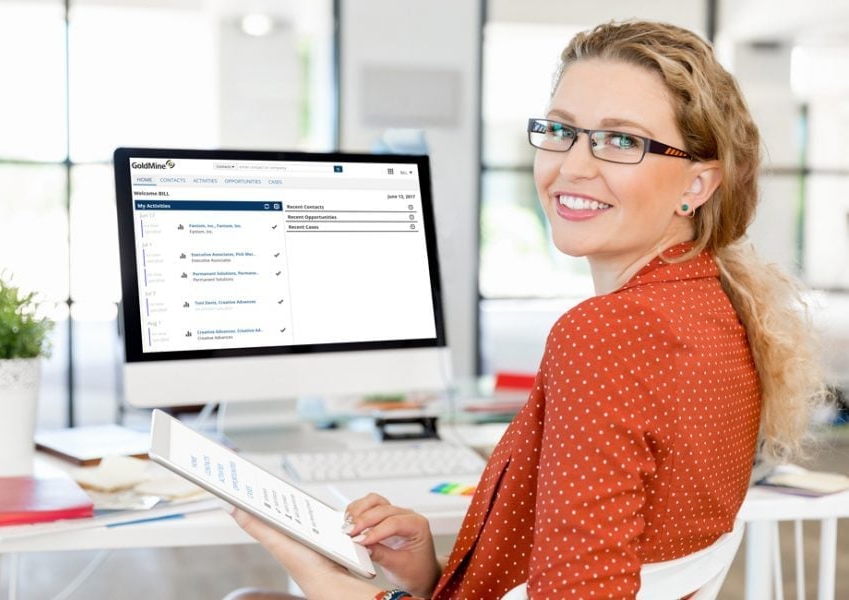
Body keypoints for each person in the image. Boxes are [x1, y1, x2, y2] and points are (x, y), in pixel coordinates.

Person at [226, 20, 828, 599]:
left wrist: (337, 585)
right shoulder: (719, 311)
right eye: (561, 130)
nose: (573, 166)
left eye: (621, 140)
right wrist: (433, 574)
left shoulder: (606, 334)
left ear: (697, 186)